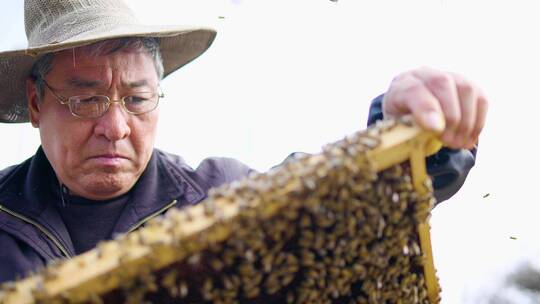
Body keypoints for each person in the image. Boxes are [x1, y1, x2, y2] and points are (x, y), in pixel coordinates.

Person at [0, 0, 488, 283]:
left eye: (137, 98)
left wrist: (411, 131)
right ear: (37, 102)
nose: (117, 127)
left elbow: (345, 194)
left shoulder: (219, 194)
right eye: (87, 101)